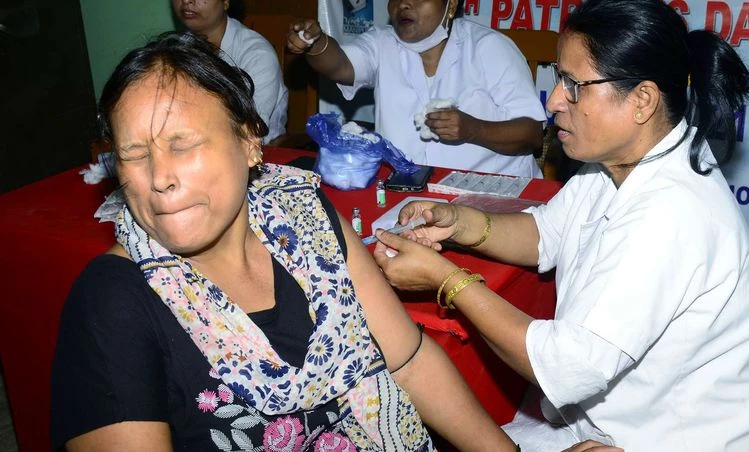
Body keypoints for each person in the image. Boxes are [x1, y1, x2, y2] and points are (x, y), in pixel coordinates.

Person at [49, 31, 516, 451]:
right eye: (133, 154)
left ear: (251, 141)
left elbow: (408, 360)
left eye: (182, 144)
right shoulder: (112, 302)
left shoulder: (305, 218)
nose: (160, 178)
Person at [370, 0, 749, 450]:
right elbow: (546, 234)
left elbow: (560, 366)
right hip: (627, 418)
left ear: (642, 101)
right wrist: (459, 221)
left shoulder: (672, 214)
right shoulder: (622, 161)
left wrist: (447, 280)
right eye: (559, 79)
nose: (554, 100)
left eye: (574, 85)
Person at [285, 0, 546, 178]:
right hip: (409, 194)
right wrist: (316, 44)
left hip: (492, 196)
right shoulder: (382, 42)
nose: (404, 4)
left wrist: (473, 129)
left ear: (451, 5)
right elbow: (340, 65)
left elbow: (531, 133)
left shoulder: (489, 47)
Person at [173, 0, 288, 144]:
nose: (186, 1)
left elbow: (249, 130)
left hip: (258, 154)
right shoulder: (175, 49)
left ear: (226, 2)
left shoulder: (256, 53)